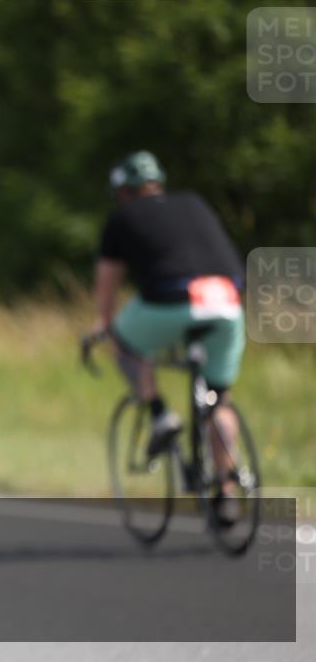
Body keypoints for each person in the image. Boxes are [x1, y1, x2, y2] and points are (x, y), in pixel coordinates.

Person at [92, 151, 246, 518]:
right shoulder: (194, 202)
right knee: (218, 402)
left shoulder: (122, 217)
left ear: (122, 192)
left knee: (126, 344)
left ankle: (160, 414)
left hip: (171, 301)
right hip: (226, 300)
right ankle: (226, 489)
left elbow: (107, 284)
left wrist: (104, 322)